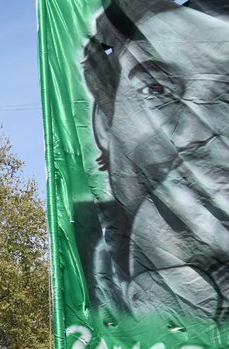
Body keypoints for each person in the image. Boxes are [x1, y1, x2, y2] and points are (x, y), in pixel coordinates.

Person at [80, 0, 229, 324]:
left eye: (224, 96)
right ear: (105, 123)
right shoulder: (83, 288)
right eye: (156, 89)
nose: (195, 132)